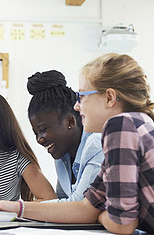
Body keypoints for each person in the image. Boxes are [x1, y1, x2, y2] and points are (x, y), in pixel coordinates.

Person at [0, 53, 154, 235]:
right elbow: (86, 207)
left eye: (82, 96)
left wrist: (100, 216)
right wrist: (16, 207)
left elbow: (122, 224)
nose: (76, 106)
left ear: (109, 98)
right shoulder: (132, 126)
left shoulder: (121, 126)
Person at [27, 70, 103, 202]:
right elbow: (62, 200)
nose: (39, 139)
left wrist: (20, 208)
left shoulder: (97, 144)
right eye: (36, 133)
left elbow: (78, 205)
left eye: (43, 130)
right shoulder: (62, 156)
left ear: (70, 122)